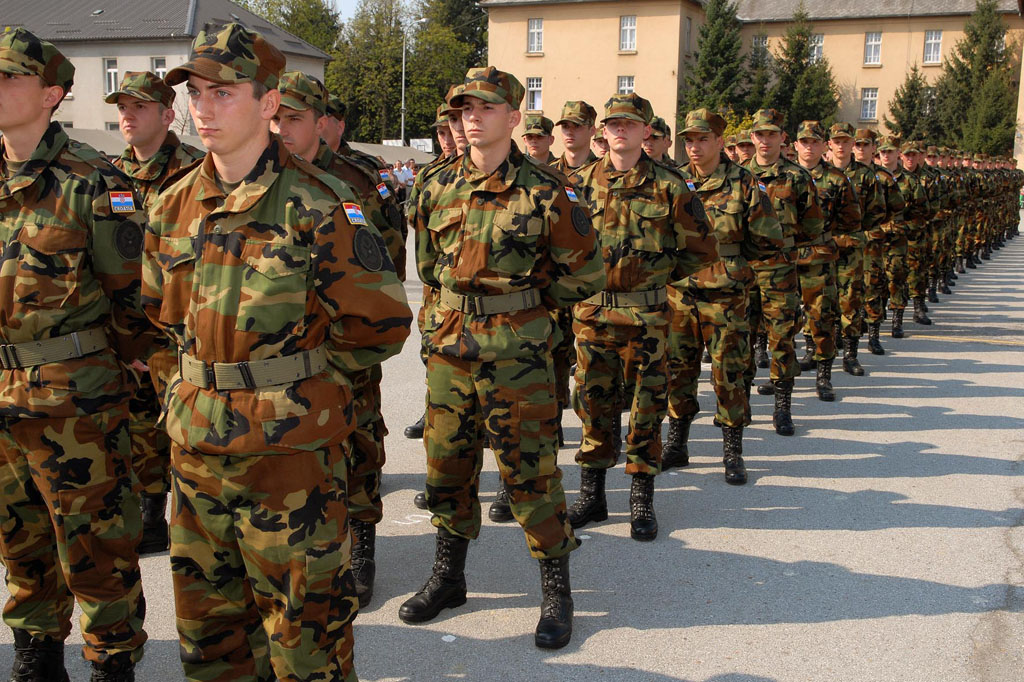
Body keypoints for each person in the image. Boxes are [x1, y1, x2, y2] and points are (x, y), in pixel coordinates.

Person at [144, 24, 411, 681]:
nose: (203, 109)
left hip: (289, 463)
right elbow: (156, 321)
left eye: (223, 93)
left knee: (306, 647)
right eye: (196, 94)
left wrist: (300, 389)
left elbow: (378, 324)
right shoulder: (172, 204)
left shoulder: (320, 204)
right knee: (210, 644)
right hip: (197, 457)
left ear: (268, 103)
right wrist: (187, 393)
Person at [401, 66, 605, 650]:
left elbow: (585, 274)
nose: (472, 117)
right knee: (446, 466)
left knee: (530, 473)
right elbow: (429, 269)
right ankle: (449, 577)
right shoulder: (435, 185)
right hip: (450, 353)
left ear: (514, 117)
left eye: (486, 107)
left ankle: (556, 590)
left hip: (518, 357)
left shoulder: (547, 190)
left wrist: (524, 308)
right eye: (465, 108)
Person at [0, 27, 154, 682]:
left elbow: (134, 297)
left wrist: (111, 373)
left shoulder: (93, 181)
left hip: (75, 404)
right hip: (1, 399)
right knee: (19, 544)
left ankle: (112, 661)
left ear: (50, 94)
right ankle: (36, 654)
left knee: (96, 547)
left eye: (9, 76)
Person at [272, 70, 408, 609]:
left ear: (321, 121)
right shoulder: (257, 177)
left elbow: (388, 261)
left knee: (358, 443)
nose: (282, 129)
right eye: (275, 117)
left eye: (294, 118)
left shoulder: (355, 182)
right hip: (280, 354)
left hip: (343, 349)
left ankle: (363, 546)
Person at [567, 93, 719, 536]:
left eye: (630, 124)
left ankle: (641, 498)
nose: (621, 130)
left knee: (647, 409)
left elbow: (700, 249)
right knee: (593, 405)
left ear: (646, 131)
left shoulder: (671, 186)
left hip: (648, 319)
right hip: (593, 316)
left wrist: (655, 279)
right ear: (603, 130)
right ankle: (592, 496)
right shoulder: (577, 184)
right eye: (614, 123)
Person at [105, 70, 205, 556]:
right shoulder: (106, 176)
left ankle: (195, 519)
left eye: (139, 107)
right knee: (137, 425)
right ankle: (149, 513)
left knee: (185, 427)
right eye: (122, 107)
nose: (127, 116)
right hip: (125, 329)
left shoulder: (195, 172)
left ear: (167, 115)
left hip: (176, 330)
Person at [664, 108, 784, 483]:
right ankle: (677, 443)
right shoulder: (674, 180)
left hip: (726, 296)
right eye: (689, 140)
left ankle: (733, 451)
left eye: (702, 139)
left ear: (719, 141)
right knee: (677, 370)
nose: (694, 147)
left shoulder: (744, 183)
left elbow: (767, 238)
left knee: (729, 373)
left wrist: (734, 265)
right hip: (680, 293)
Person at [745, 109, 824, 434]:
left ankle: (782, 406)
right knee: (741, 339)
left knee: (782, 338)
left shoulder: (797, 177)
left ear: (782, 138)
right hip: (743, 271)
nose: (765, 140)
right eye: (760, 134)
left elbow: (813, 225)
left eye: (772, 134)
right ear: (752, 138)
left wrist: (786, 246)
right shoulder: (738, 176)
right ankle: (741, 403)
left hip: (781, 271)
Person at [792, 121, 858, 402]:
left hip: (819, 257)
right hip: (783, 258)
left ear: (823, 146)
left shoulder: (837, 180)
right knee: (781, 320)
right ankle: (781, 375)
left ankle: (823, 376)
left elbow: (851, 220)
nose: (809, 147)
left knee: (822, 318)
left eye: (815, 142)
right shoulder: (783, 175)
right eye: (804, 142)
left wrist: (828, 238)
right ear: (796, 145)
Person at [828, 122, 884, 375]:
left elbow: (877, 211)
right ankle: (819, 351)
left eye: (846, 141)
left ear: (852, 143)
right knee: (820, 302)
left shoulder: (866, 175)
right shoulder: (817, 174)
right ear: (830, 144)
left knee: (850, 301)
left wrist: (860, 233)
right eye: (837, 141)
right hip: (822, 248)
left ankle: (850, 355)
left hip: (851, 249)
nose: (841, 146)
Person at [877, 136, 929, 338]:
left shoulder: (909, 181)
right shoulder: (872, 177)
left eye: (890, 151)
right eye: (883, 152)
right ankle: (875, 318)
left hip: (898, 239)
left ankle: (897, 319)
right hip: (874, 239)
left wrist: (904, 227)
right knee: (874, 279)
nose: (886, 155)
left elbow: (921, 212)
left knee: (897, 278)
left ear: (897, 154)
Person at [553, 100, 598, 173]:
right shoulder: (548, 172)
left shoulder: (604, 173)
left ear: (592, 130)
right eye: (565, 126)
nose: (569, 132)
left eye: (577, 126)